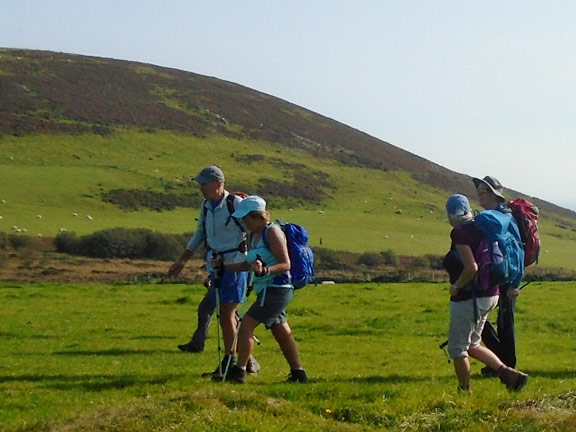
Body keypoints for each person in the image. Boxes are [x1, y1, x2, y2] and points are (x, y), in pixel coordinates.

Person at [168, 165, 259, 375]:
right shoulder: (206, 206)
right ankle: (240, 362)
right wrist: (182, 261)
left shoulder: (235, 204)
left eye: (204, 183)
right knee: (226, 314)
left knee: (227, 314)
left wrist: (253, 260)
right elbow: (200, 234)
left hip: (236, 265)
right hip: (217, 265)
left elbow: (254, 229)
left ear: (218, 184)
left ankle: (232, 363)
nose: (200, 188)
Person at [213, 195, 308, 384]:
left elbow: (285, 264)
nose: (243, 221)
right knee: (281, 331)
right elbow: (248, 265)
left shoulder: (272, 232)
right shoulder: (253, 235)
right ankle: (298, 374)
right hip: (266, 290)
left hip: (277, 289)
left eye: (246, 218)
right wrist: (224, 266)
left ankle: (239, 372)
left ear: (257, 216)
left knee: (245, 325)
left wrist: (265, 270)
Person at [442, 194, 528, 392]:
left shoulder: (460, 233)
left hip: (470, 297)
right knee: (473, 344)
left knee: (457, 349)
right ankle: (510, 376)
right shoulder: (482, 227)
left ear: (451, 214)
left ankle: (464, 391)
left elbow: (471, 267)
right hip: (491, 293)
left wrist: (456, 287)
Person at [473, 176, 520, 377]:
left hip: (507, 279)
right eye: (480, 191)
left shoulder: (505, 218)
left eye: (484, 191)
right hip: (495, 277)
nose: (479, 195)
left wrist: (515, 284)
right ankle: (499, 363)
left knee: (504, 324)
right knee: (481, 319)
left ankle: (506, 366)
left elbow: (518, 252)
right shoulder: (492, 216)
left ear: (494, 195)